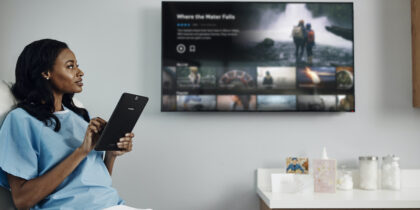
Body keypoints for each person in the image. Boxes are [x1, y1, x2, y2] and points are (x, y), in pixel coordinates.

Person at [0, 39, 149, 209]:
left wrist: (111, 155)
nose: (80, 72)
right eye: (70, 66)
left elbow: (95, 185)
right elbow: (22, 200)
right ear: (46, 73)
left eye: (77, 65)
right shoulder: (21, 120)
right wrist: (81, 151)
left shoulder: (81, 116)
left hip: (113, 205)